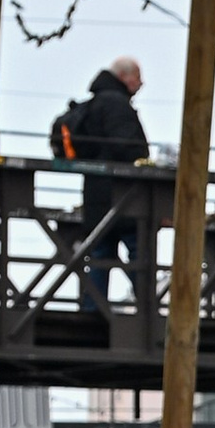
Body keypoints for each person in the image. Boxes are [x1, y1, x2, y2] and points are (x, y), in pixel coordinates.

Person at [59, 54, 153, 316]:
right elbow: (126, 147)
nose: (141, 83)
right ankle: (150, 311)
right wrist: (143, 162)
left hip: (96, 192)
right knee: (138, 253)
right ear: (123, 77)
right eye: (137, 77)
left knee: (100, 252)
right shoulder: (116, 105)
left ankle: (92, 309)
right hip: (124, 195)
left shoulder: (93, 104)